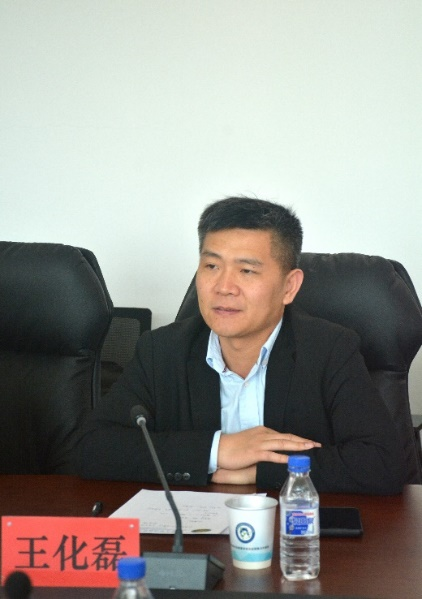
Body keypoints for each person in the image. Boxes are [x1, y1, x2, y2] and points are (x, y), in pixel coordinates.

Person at [75, 197, 405, 494]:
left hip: (293, 531)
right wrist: (218, 450)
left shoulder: (329, 350)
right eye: (211, 266)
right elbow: (92, 448)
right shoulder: (161, 351)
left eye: (246, 270)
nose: (224, 287)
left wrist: (259, 472)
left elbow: (384, 462)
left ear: (289, 287)